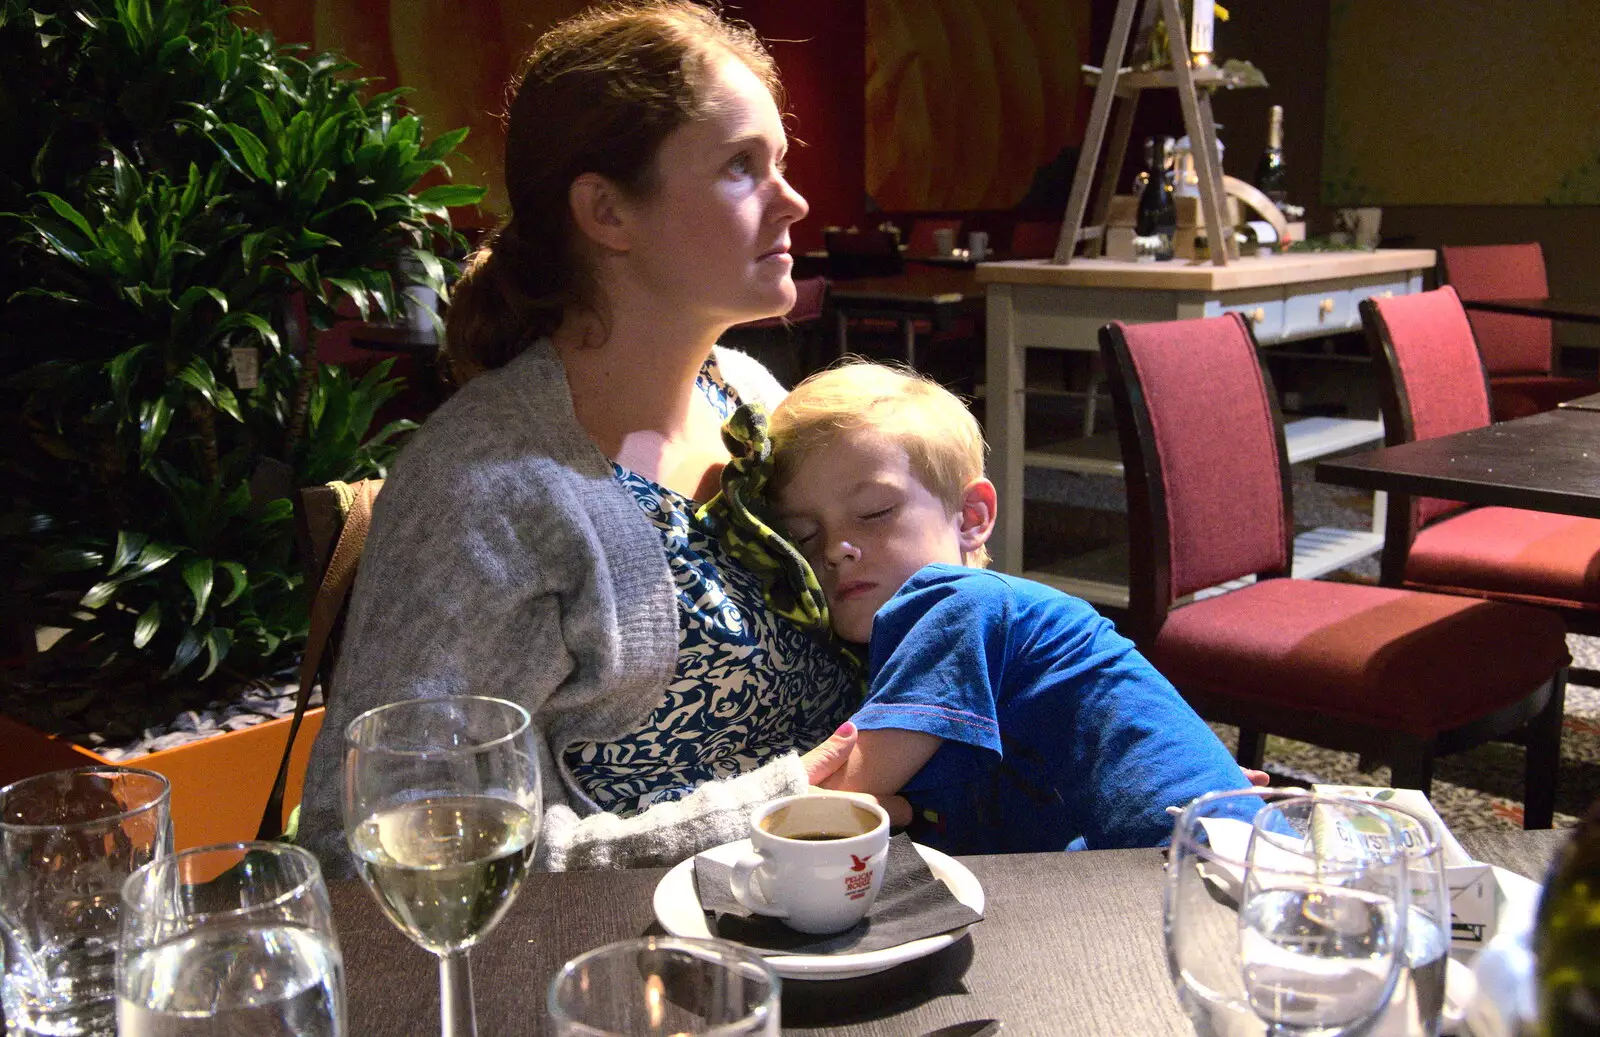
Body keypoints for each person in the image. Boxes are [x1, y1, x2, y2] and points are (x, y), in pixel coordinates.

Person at [298, 0, 876, 875]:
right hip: (639, 975)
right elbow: (375, 846)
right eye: (740, 168)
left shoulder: (752, 400)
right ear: (607, 212)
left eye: (780, 162)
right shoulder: (482, 493)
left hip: (849, 897)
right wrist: (782, 811)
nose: (793, 200)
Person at [765, 363, 1258, 854]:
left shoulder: (957, 602)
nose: (834, 549)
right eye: (803, 537)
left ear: (971, 517)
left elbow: (833, 800)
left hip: (1194, 862)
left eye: (875, 512)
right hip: (1179, 854)